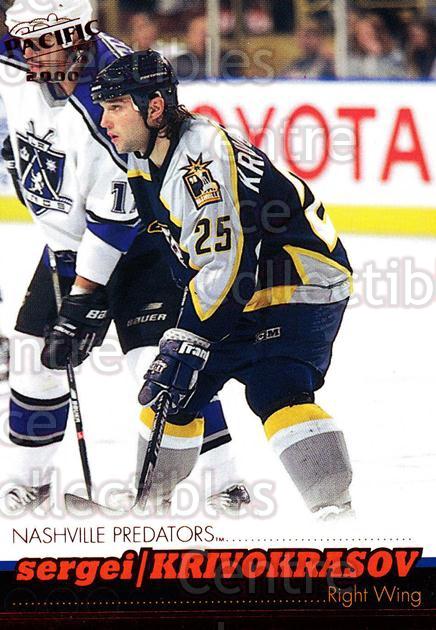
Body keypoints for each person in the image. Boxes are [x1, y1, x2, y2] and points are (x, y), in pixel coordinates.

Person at [0, 1, 248, 514]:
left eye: (41, 42)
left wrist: (81, 301)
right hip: (67, 246)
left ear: (77, 37)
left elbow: (116, 221)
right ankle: (29, 481)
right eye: (23, 41)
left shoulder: (113, 102)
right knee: (34, 357)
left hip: (143, 245)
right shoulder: (22, 56)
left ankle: (225, 484)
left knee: (160, 366)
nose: (28, 53)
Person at [84, 50, 354, 520]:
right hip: (247, 285)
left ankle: (337, 517)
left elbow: (225, 264)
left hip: (299, 280)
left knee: (276, 389)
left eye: (116, 107)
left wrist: (188, 338)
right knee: (172, 393)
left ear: (154, 108)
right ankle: (150, 509)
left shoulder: (199, 161)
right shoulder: (144, 159)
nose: (104, 119)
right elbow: (190, 255)